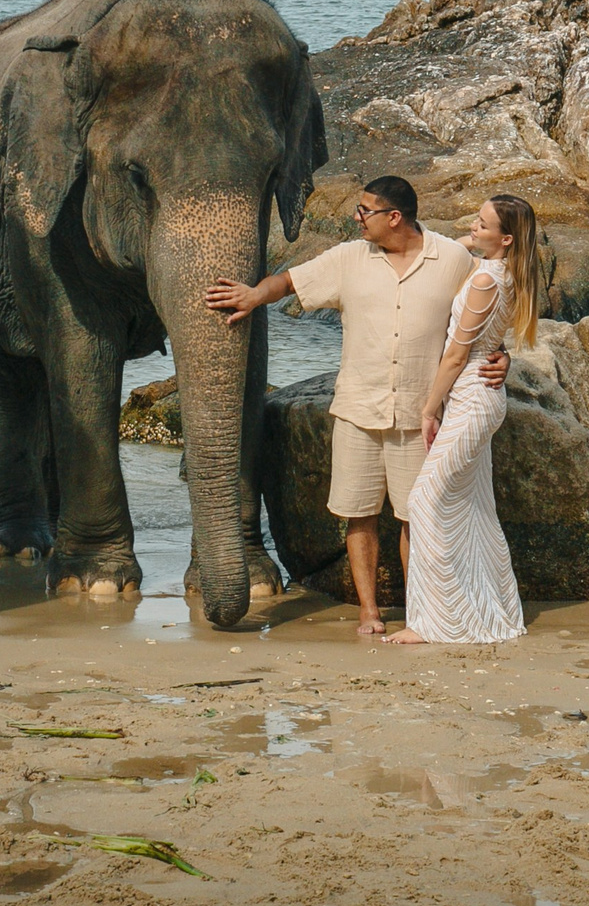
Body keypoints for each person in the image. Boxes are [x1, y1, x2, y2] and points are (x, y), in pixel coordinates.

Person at [204, 175, 505, 634]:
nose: (357, 218)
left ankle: (420, 613)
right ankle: (369, 612)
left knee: (417, 519)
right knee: (358, 515)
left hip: (420, 416)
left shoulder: (454, 260)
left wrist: (502, 358)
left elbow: (485, 316)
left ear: (394, 217)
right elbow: (288, 282)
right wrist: (252, 296)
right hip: (358, 410)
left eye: (365, 211)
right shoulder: (348, 258)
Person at [387, 194, 537, 645]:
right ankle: (488, 612)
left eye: (482, 223)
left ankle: (432, 622)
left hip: (471, 398)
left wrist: (429, 408)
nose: (472, 226)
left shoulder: (486, 281)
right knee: (475, 511)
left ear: (506, 239)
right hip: (480, 396)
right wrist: (472, 239)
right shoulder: (507, 272)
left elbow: (455, 356)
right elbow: (461, 247)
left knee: (425, 503)